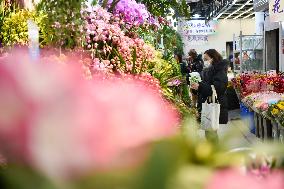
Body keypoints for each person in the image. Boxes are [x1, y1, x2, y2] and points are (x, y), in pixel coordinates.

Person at [191, 49, 228, 143]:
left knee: (211, 132)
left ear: (213, 58)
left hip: (214, 104)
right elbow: (208, 84)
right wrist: (198, 87)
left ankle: (215, 154)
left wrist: (200, 86)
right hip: (209, 103)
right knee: (210, 132)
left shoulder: (219, 71)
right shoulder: (211, 69)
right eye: (204, 59)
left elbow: (218, 88)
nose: (205, 61)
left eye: (206, 59)